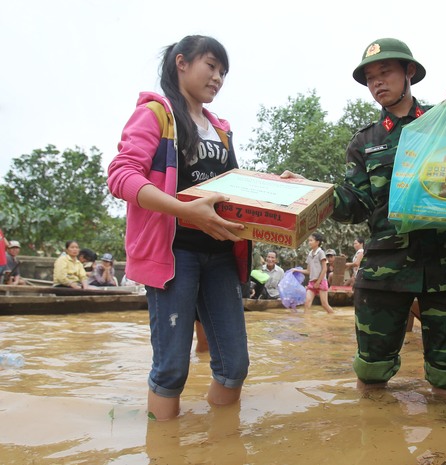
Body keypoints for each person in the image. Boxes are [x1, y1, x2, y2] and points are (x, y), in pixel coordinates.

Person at [283, 38, 446, 396]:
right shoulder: (365, 142)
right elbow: (354, 203)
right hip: (386, 266)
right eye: (370, 77)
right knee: (371, 371)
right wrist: (309, 193)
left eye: (385, 72)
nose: (377, 83)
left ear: (409, 73)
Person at [107, 35, 251, 421]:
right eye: (211, 66)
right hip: (173, 253)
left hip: (221, 253)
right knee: (172, 369)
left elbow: (235, 186)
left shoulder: (221, 129)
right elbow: (121, 176)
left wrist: (280, 189)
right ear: (181, 63)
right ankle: (164, 450)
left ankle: (220, 446)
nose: (218, 77)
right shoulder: (156, 114)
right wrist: (186, 211)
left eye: (223, 72)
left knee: (234, 365)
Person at [297, 232, 334, 314]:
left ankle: (334, 317)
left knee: (324, 304)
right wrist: (296, 270)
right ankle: (307, 323)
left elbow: (324, 269)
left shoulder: (321, 253)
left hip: (321, 282)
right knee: (307, 303)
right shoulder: (310, 254)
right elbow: (308, 271)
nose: (309, 242)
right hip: (312, 282)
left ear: (317, 242)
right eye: (309, 241)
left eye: (311, 240)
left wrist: (318, 282)